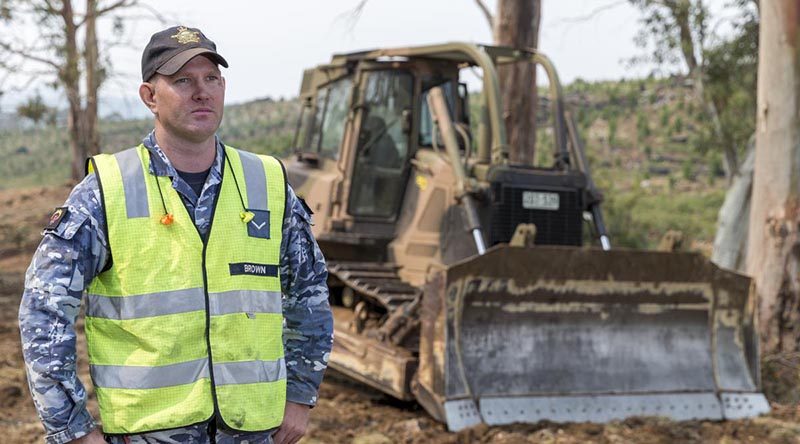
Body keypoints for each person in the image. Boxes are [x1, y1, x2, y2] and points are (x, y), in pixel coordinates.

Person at [18, 25, 333, 444]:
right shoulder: (108, 190)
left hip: (254, 431)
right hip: (149, 434)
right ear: (150, 96)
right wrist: (72, 428)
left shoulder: (268, 183)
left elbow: (309, 294)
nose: (201, 92)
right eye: (182, 80)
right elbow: (44, 312)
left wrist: (300, 394)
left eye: (211, 79)